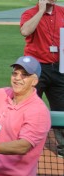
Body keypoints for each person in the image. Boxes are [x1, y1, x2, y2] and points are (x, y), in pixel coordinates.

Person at [20, 0, 64, 158]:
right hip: (35, 68)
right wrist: (41, 10)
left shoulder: (62, 12)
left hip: (59, 68)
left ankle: (63, 149)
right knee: (29, 107)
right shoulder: (30, 13)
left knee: (61, 108)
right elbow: (25, 31)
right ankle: (24, 143)